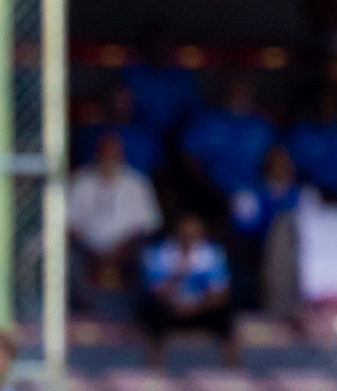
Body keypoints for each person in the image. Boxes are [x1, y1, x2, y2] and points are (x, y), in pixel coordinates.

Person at [67, 132, 162, 314]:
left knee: (148, 256)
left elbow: (149, 226)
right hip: (87, 249)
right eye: (105, 153)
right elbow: (68, 224)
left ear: (121, 155)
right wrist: (92, 249)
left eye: (113, 153)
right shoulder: (81, 181)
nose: (108, 158)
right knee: (69, 259)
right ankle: (87, 310)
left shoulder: (137, 182)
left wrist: (121, 249)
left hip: (127, 248)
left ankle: (135, 313)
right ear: (97, 154)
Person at [139, 213, 236, 367]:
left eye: (194, 233)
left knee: (226, 312)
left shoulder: (212, 254)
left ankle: (233, 369)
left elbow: (220, 292)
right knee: (151, 310)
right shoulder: (159, 253)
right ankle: (155, 367)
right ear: (176, 232)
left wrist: (196, 307)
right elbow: (155, 290)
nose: (189, 237)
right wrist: (176, 302)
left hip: (201, 308)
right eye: (185, 232)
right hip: (171, 308)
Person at [182, 77, 276, 212]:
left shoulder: (262, 124)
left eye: (243, 91)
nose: (238, 95)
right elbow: (188, 157)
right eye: (235, 91)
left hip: (255, 193)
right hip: (211, 193)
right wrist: (205, 187)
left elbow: (277, 158)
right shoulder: (206, 121)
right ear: (225, 92)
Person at [227, 145, 300, 310]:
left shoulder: (304, 196)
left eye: (285, 162)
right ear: (267, 165)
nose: (281, 167)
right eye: (276, 162)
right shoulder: (248, 195)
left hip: (292, 261)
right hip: (255, 260)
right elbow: (242, 236)